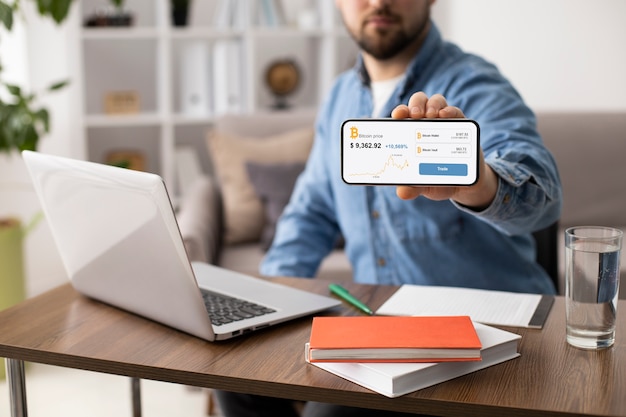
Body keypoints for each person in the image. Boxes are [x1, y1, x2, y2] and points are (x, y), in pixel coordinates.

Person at [216, 0, 562, 416]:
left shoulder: (477, 84)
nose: (379, 2)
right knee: (236, 379)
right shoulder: (340, 97)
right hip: (385, 338)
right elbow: (310, 215)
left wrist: (476, 179)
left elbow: (543, 196)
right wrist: (266, 306)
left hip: (491, 343)